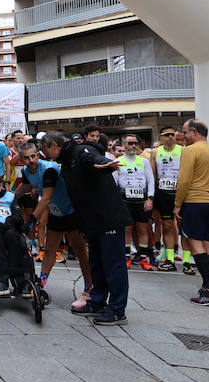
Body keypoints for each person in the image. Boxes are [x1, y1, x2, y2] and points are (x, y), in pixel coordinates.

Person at [59, 131, 131, 325]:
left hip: (108, 218)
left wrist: (101, 164)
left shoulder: (80, 150)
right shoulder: (66, 160)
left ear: (54, 146)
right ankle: (98, 301)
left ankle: (117, 309)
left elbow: (91, 158)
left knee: (113, 264)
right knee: (97, 264)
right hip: (93, 220)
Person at [22, 140, 91, 304]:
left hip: (71, 210)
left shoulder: (49, 170)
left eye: (33, 156)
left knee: (80, 250)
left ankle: (90, 285)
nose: (31, 161)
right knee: (50, 248)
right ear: (21, 159)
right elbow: (25, 187)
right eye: (26, 158)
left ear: (38, 155)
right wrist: (9, 195)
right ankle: (42, 282)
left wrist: (32, 219)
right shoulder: (26, 170)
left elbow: (45, 198)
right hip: (56, 212)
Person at [175, 119, 209, 307]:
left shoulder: (189, 151)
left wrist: (177, 204)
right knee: (208, 244)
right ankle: (208, 287)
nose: (182, 136)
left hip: (194, 203)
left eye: (184, 132)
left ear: (194, 132)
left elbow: (183, 181)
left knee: (195, 244)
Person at [115, 134, 160, 270]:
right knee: (127, 229)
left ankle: (144, 258)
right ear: (124, 145)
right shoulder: (118, 161)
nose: (133, 146)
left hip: (142, 200)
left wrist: (150, 198)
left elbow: (151, 180)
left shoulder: (144, 161)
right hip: (124, 200)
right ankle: (126, 257)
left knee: (142, 229)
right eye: (130, 143)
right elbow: (114, 182)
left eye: (135, 143)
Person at [150, 126, 191, 272]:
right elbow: (153, 175)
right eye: (166, 135)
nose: (170, 137)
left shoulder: (183, 150)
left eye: (172, 134)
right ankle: (170, 260)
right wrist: (151, 196)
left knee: (183, 227)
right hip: (163, 193)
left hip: (179, 192)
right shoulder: (155, 152)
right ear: (161, 137)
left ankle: (187, 261)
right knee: (166, 226)